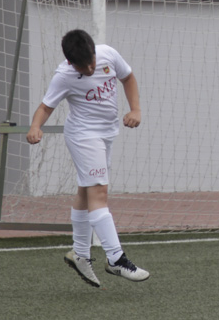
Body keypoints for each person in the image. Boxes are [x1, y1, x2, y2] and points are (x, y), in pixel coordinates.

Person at [26, 28, 150, 288]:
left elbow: (128, 78)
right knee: (99, 193)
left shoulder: (108, 54)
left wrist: (135, 109)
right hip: (83, 136)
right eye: (85, 66)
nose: (92, 67)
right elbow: (46, 106)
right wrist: (35, 127)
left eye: (93, 60)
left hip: (107, 134)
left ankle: (80, 253)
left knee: (86, 191)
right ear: (71, 63)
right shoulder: (64, 75)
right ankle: (116, 259)